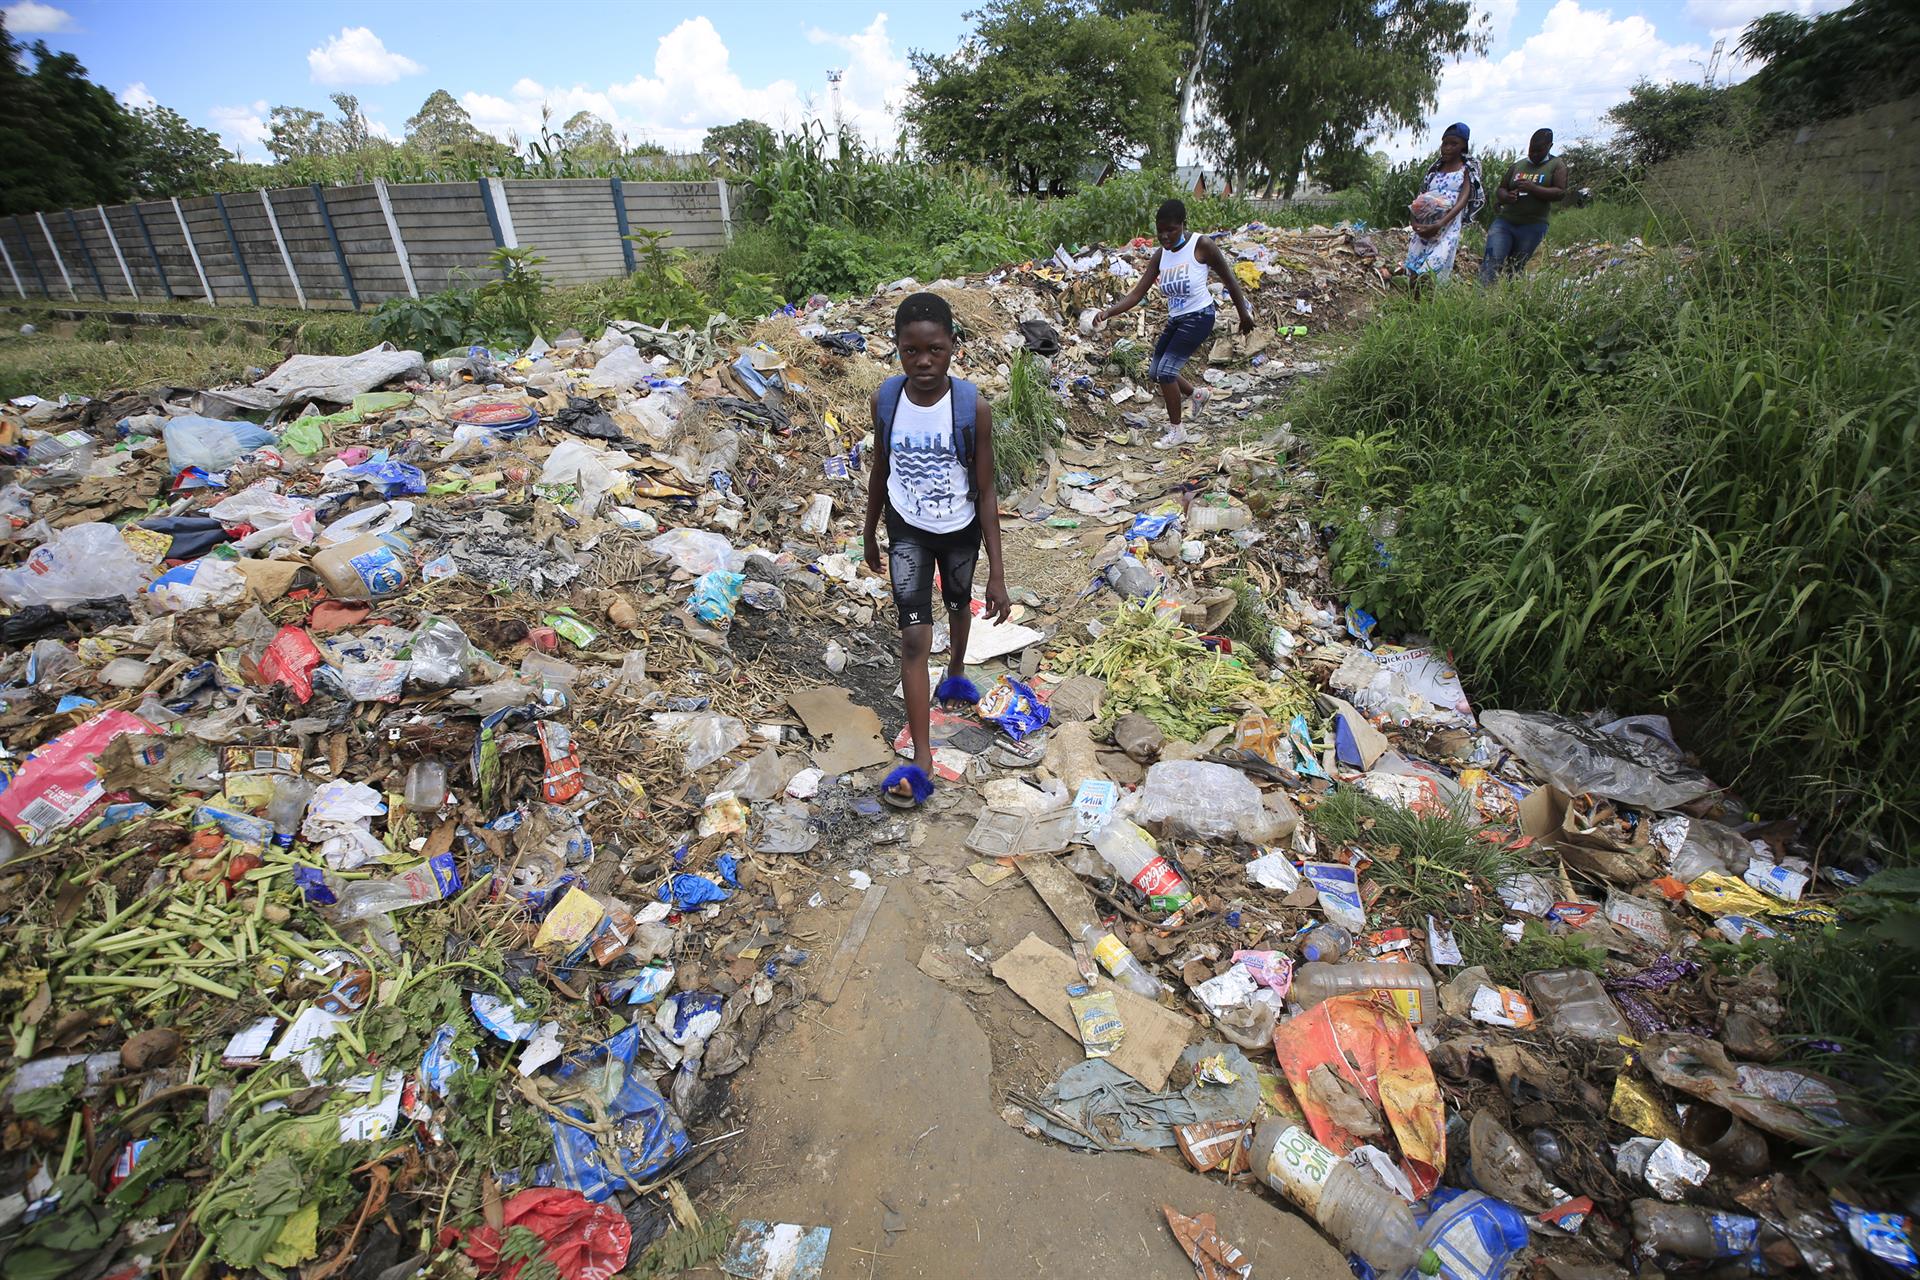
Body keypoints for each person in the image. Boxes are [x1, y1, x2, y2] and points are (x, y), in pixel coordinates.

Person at [862, 292, 1011, 808]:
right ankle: (922, 756)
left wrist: (998, 570)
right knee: (912, 638)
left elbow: (987, 490)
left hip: (960, 528)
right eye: (911, 351)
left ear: (953, 348)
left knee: (956, 603)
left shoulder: (973, 408)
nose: (924, 362)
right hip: (907, 528)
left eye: (936, 350)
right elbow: (880, 469)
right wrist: (868, 531)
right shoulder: (887, 401)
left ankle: (956, 673)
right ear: (898, 350)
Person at [1093, 198, 1254, 443]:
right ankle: (1196, 394)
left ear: (1183, 224)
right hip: (1177, 319)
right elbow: (1137, 293)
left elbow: (1230, 281)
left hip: (1200, 316)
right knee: (1156, 371)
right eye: (1160, 232)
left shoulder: (1201, 245)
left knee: (1167, 372)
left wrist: (1243, 314)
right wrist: (1108, 312)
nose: (1165, 236)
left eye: (1171, 230)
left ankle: (1177, 431)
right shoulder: (1161, 255)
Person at [1400, 122, 1484, 287]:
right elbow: (1421, 197)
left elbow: (1462, 200)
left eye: (1454, 144)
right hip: (1425, 227)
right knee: (1415, 265)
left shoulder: (1467, 169)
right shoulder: (1435, 169)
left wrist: (1440, 224)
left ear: (1464, 146)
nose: (1447, 148)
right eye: (1445, 143)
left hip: (1447, 227)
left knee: (1433, 267)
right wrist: (1414, 222)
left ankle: (1427, 305)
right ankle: (1411, 306)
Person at [1481, 128, 1569, 283]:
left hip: (1533, 225)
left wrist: (1533, 188)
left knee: (1515, 268)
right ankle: (1482, 300)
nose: (1534, 154)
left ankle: (1505, 301)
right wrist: (1507, 197)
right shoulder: (1518, 166)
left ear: (1550, 146)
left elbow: (1560, 192)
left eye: (1539, 151)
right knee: (1491, 262)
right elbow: (1501, 188)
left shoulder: (1557, 165)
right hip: (1506, 222)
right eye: (1531, 150)